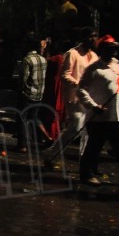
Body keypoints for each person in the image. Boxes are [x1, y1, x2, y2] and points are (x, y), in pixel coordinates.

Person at [76, 35, 119, 186]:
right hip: (101, 117)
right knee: (94, 147)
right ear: (103, 50)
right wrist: (93, 105)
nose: (114, 52)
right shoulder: (93, 69)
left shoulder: (117, 65)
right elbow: (81, 90)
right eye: (110, 49)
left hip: (117, 115)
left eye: (115, 49)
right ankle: (86, 174)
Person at [45, 27, 99, 165]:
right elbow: (64, 75)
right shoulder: (72, 53)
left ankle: (84, 161)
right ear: (83, 38)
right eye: (90, 36)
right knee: (75, 128)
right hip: (74, 98)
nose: (93, 39)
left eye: (95, 36)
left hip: (89, 99)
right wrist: (78, 84)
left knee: (86, 131)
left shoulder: (94, 56)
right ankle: (52, 154)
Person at [14, 34, 52, 152]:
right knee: (34, 117)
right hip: (39, 94)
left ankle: (23, 145)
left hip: (28, 93)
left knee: (22, 117)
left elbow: (23, 79)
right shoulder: (43, 59)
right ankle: (48, 137)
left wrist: (21, 90)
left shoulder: (27, 60)